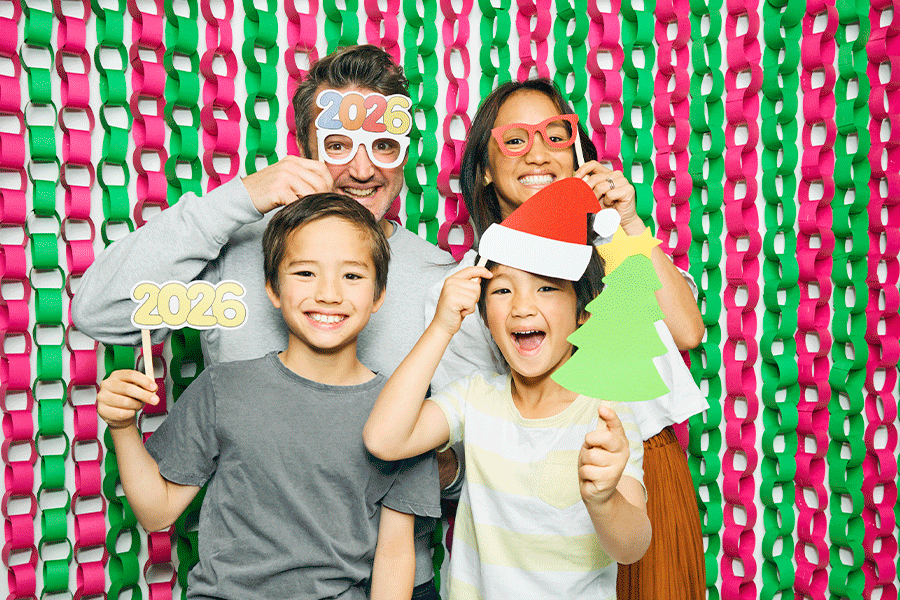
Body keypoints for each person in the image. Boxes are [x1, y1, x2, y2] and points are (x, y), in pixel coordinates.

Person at [73, 45, 458, 599]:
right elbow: (97, 310)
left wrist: (441, 461)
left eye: (382, 145)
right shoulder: (239, 251)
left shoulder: (439, 280)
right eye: (337, 144)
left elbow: (472, 444)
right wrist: (241, 199)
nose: (362, 168)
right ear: (303, 150)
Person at [433, 78, 707, 599]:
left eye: (555, 136)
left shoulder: (611, 243)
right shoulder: (472, 285)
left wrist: (625, 221)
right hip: (538, 493)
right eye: (515, 139)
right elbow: (469, 421)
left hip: (644, 468)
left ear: (578, 152)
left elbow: (687, 331)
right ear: (485, 169)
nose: (538, 152)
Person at [96, 194, 439, 599]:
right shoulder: (222, 388)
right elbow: (157, 512)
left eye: (352, 276)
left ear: (379, 294)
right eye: (305, 273)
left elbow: (396, 556)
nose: (329, 293)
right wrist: (121, 427)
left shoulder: (404, 414)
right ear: (272, 289)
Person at [363, 179, 651, 598]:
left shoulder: (606, 416)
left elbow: (632, 547)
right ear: (483, 317)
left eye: (547, 288)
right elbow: (384, 439)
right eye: (502, 289)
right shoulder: (473, 398)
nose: (522, 306)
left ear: (584, 312)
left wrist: (604, 498)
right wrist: (442, 325)